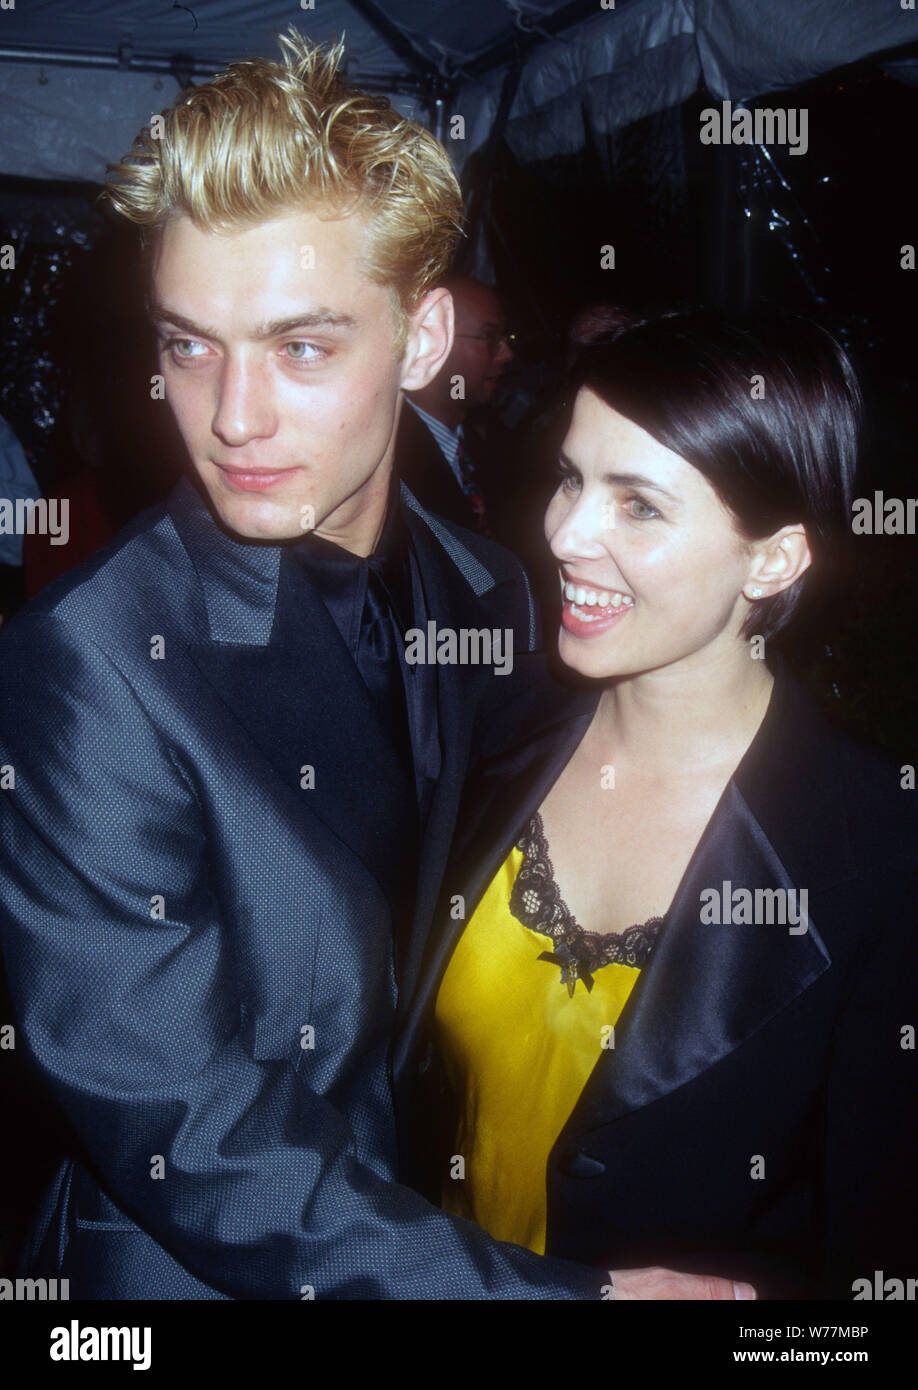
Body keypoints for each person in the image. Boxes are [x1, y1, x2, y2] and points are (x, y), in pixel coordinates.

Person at [0, 34, 745, 1302]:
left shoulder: (490, 585)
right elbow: (190, 1129)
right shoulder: (89, 664)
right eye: (189, 345)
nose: (233, 417)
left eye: (301, 347)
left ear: (421, 338)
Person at [395, 310, 918, 1299]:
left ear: (773, 560)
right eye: (570, 478)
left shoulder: (878, 857)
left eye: (639, 506)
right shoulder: (488, 726)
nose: (564, 533)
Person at [397, 275, 514, 532]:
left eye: (505, 339)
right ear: (432, 342)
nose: (507, 354)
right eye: (490, 337)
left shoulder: (496, 447)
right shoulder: (387, 461)